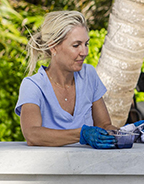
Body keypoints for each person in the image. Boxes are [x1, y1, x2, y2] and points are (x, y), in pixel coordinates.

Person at [15, 10, 117, 148]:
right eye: (76, 45)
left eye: (86, 44)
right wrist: (81, 134)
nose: (84, 52)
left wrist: (129, 133)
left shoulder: (89, 75)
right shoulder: (33, 85)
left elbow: (104, 125)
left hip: (90, 166)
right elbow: (32, 135)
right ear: (53, 47)